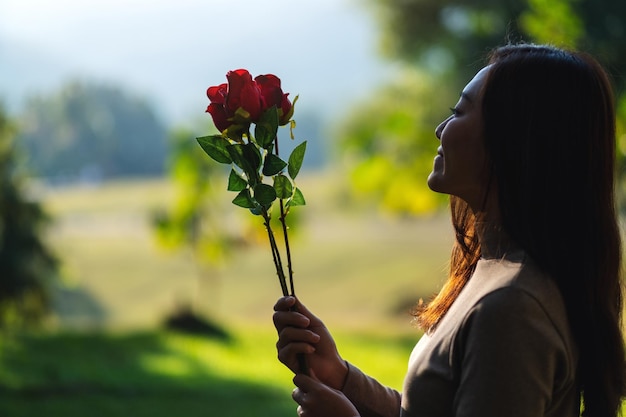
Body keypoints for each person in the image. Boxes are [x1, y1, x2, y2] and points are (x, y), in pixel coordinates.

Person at [273, 43, 626, 417]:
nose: (440, 129)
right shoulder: (494, 270)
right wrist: (341, 377)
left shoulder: (513, 309)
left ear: (513, 137)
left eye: (459, 112)